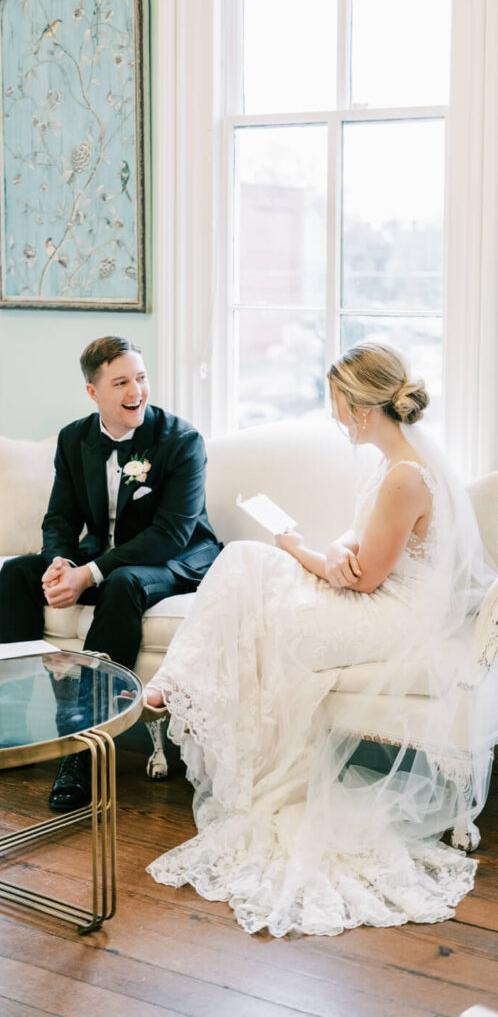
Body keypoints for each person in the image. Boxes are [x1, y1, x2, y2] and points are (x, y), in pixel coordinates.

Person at [142, 342, 497, 937]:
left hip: (390, 615)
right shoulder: (395, 464)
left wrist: (300, 549)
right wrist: (328, 552)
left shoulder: (406, 476)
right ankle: (176, 680)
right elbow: (359, 549)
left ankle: (173, 682)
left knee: (253, 560)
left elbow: (367, 582)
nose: (333, 416)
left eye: (336, 402)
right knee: (244, 562)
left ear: (361, 408)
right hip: (378, 595)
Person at [0, 336, 221, 811]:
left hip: (174, 561)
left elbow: (170, 535)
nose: (136, 390)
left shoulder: (181, 441)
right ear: (93, 392)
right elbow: (60, 518)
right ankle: (6, 731)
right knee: (17, 573)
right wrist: (60, 562)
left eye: (141, 378)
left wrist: (89, 574)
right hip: (103, 556)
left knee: (122, 582)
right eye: (121, 382)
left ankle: (84, 752)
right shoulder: (74, 438)